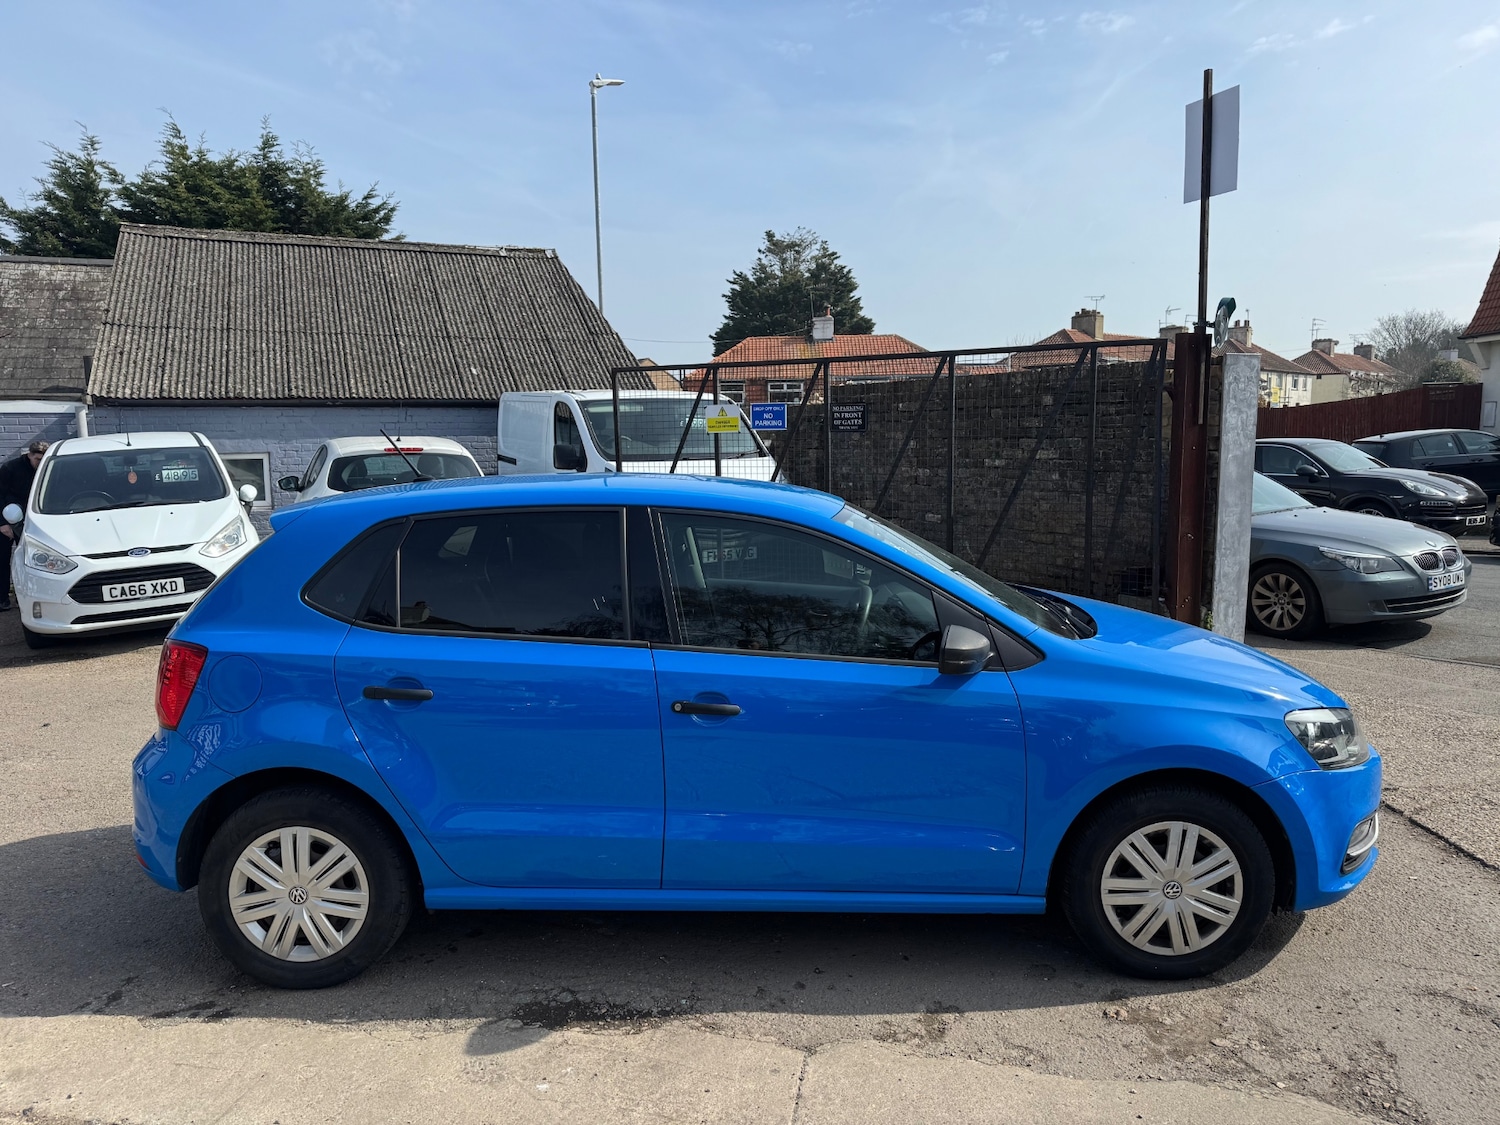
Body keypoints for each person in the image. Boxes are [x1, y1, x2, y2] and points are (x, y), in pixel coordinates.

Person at [0, 440, 48, 611]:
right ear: (29, 455)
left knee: (31, 560)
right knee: (2, 560)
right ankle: (2, 598)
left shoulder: (47, 468)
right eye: (37, 459)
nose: (40, 463)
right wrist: (3, 523)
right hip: (7, 518)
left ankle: (29, 597)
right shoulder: (10, 468)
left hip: (30, 520)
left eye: (43, 459)